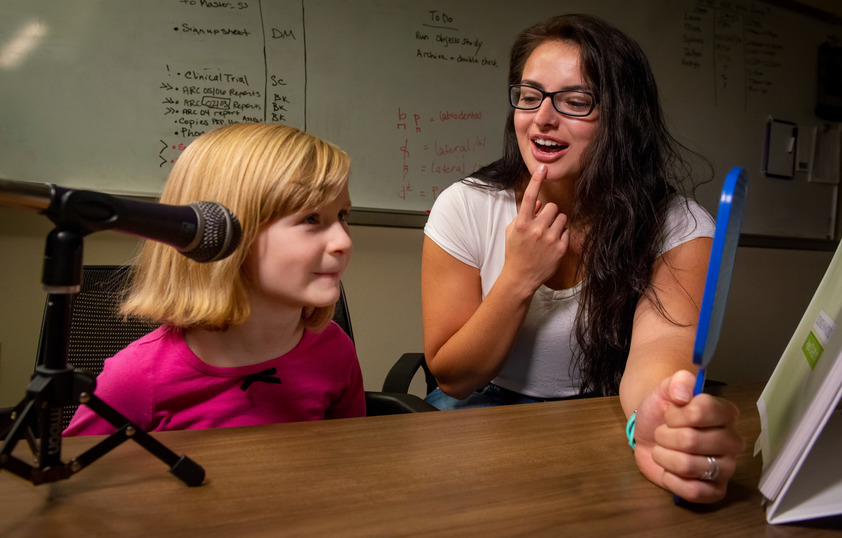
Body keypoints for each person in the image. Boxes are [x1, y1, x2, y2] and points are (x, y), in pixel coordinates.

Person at [422, 14, 744, 503]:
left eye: (575, 102)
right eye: (530, 97)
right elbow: (454, 378)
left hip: (603, 410)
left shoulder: (679, 227)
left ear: (622, 119)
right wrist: (518, 278)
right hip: (482, 408)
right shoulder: (464, 205)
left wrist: (657, 419)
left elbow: (659, 359)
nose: (542, 119)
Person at [64, 123, 365, 435]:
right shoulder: (139, 376)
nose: (343, 241)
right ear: (222, 234)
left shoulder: (334, 350)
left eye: (342, 216)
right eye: (311, 219)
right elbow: (76, 475)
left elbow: (349, 459)